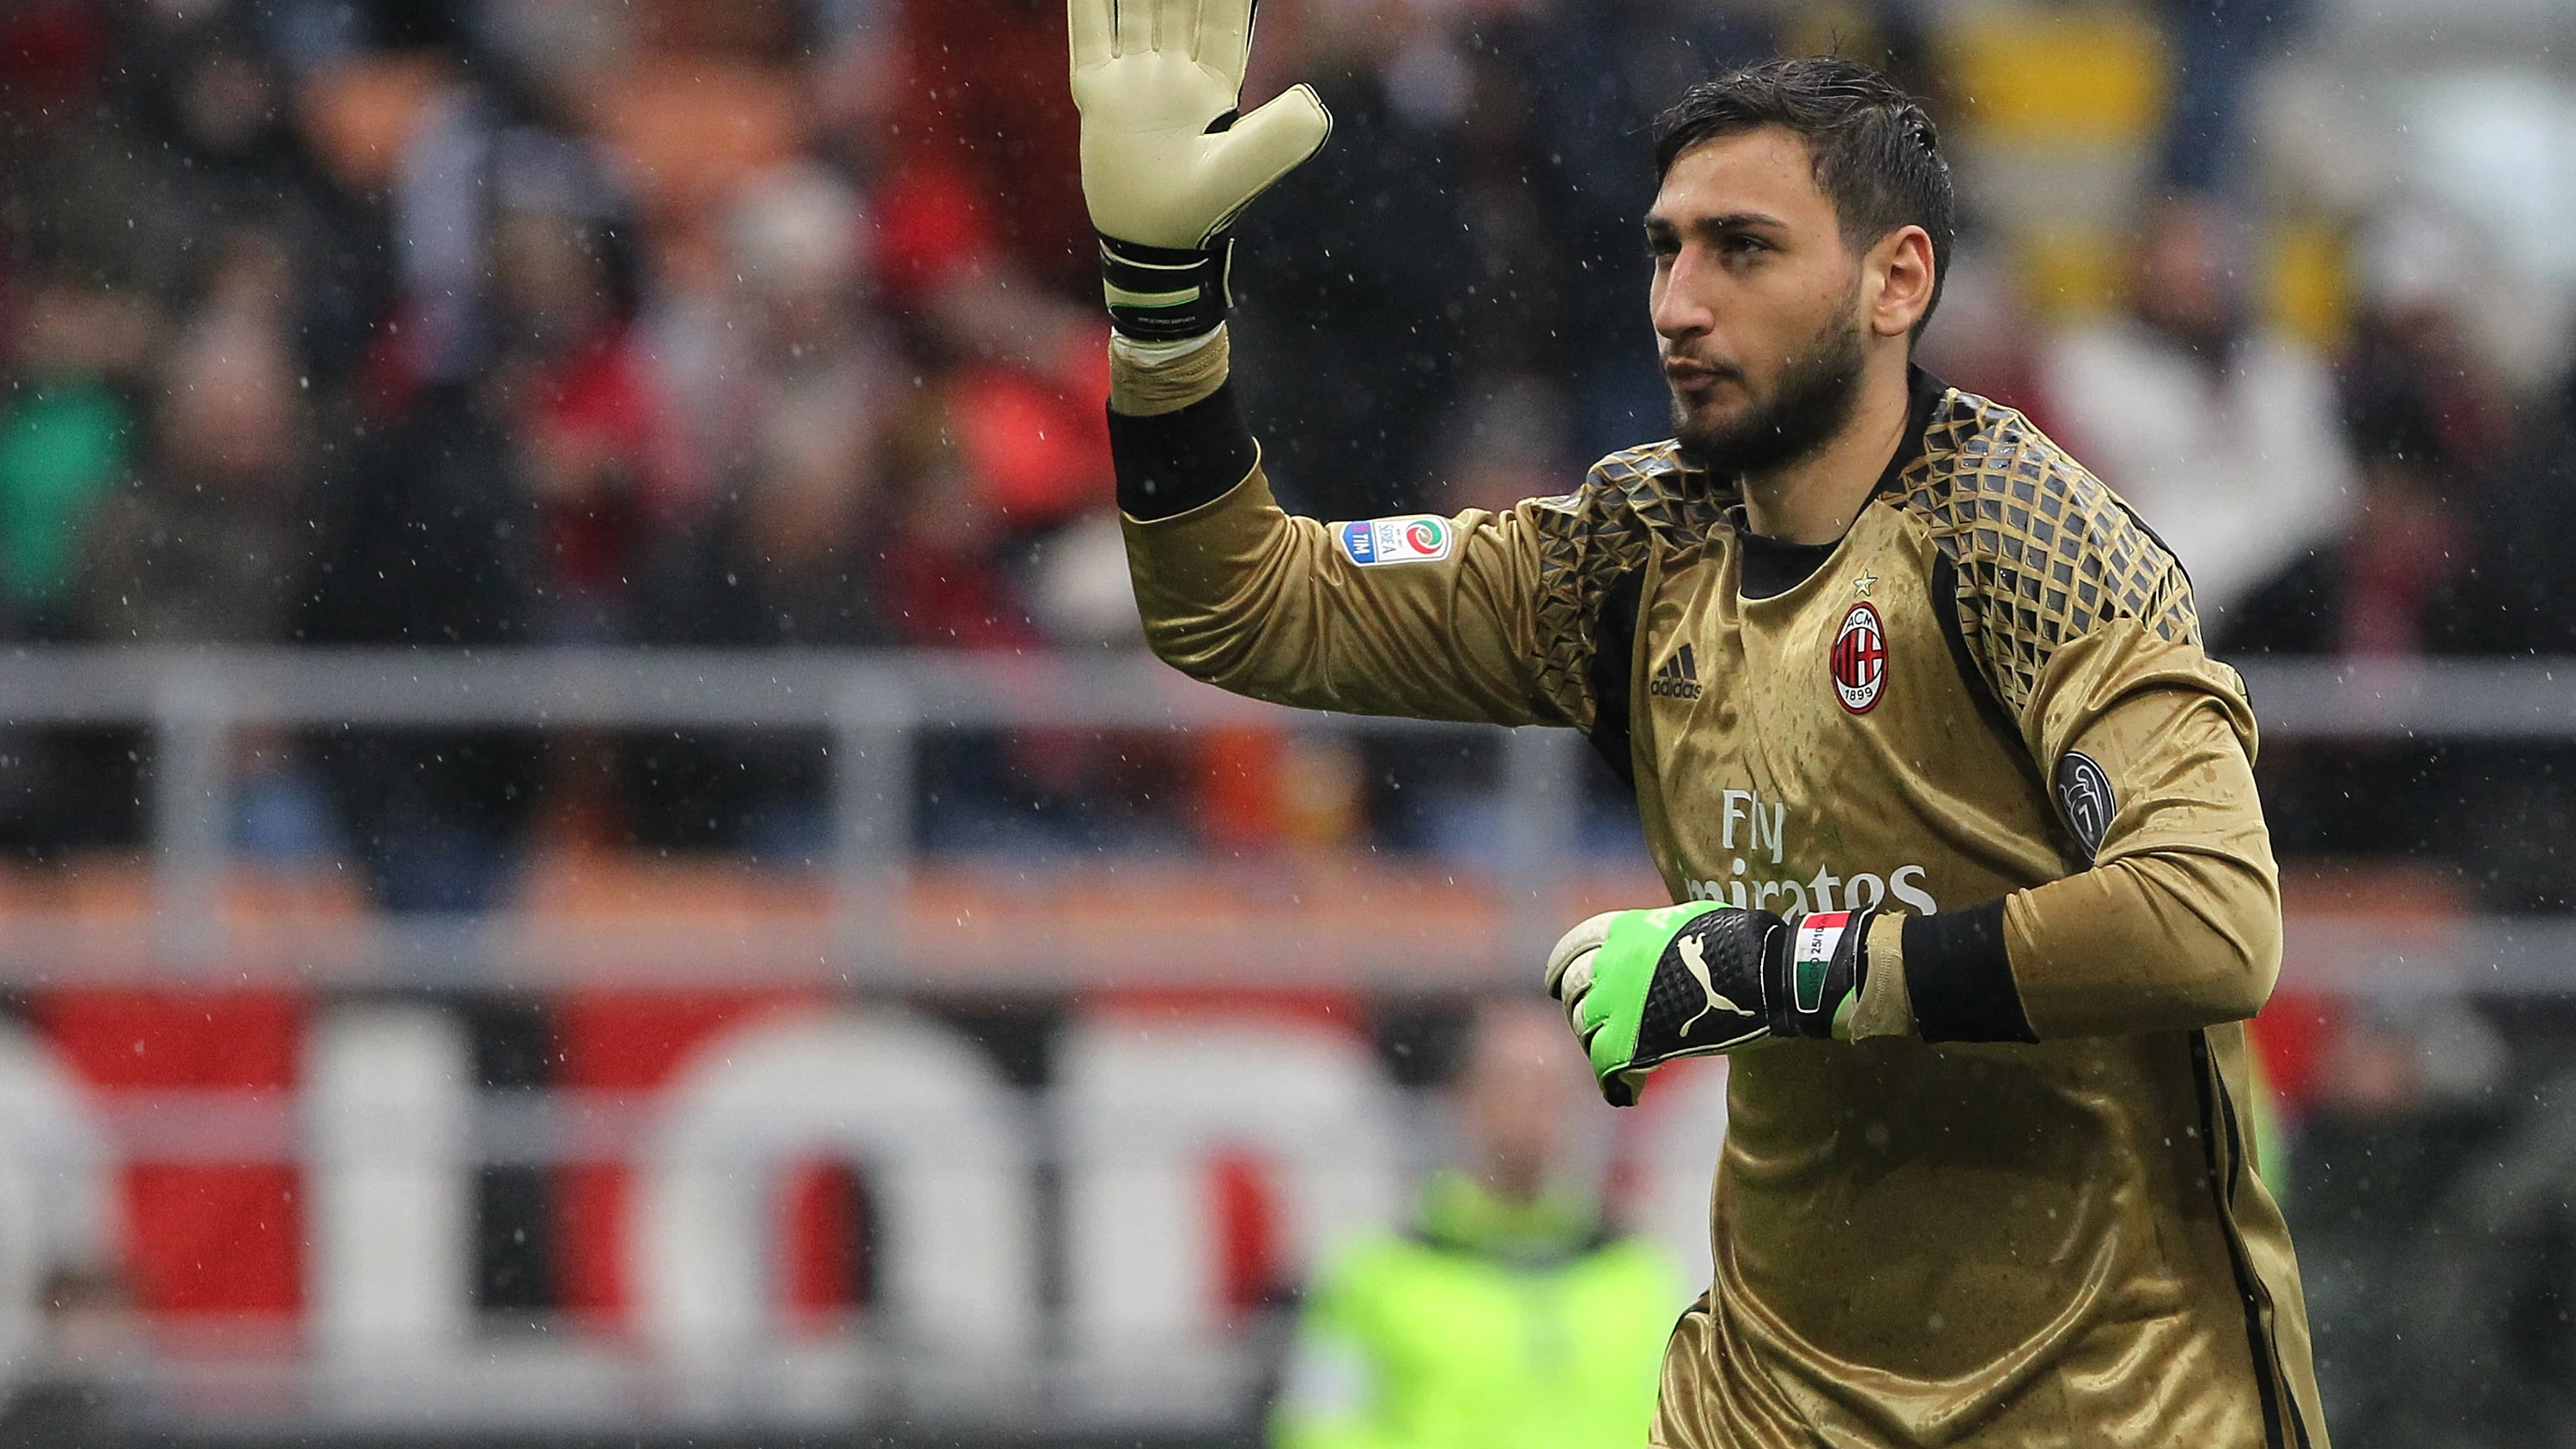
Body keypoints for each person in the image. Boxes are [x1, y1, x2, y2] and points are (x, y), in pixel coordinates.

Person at [1070, 12, 2324, 1446]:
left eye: (1743, 249)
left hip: (2104, 1401)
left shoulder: (2035, 543)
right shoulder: (1635, 549)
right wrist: (1163, 300)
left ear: (1895, 279)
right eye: (1666, 247)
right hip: (1778, 1398)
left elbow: (2212, 920)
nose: (1677, 301)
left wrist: (1790, 968)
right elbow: (1237, 606)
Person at [1272, 1000, 1678, 1449]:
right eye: (1514, 1082)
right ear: (1464, 1098)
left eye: (1555, 1086)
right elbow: (1317, 1429)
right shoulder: (1373, 1273)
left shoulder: (1636, 1268)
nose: (1538, 1106)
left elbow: (1687, 1426)